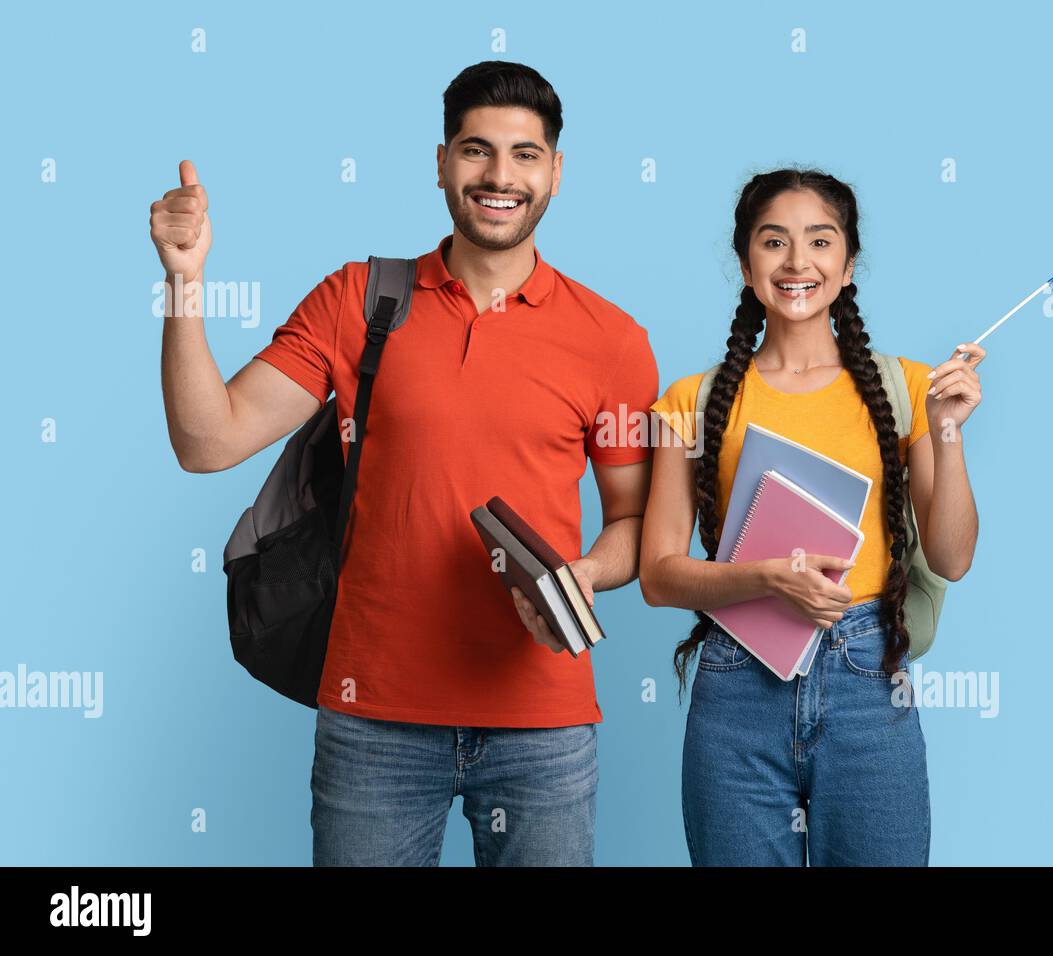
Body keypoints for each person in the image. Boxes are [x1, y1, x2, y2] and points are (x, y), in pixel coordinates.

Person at [151, 61, 658, 866]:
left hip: (544, 726)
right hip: (373, 720)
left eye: (526, 155)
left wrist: (584, 576)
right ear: (440, 162)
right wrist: (184, 284)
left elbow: (634, 524)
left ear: (556, 172)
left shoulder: (613, 339)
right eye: (476, 150)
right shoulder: (359, 299)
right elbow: (207, 442)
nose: (500, 175)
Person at [638, 169, 982, 866]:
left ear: (849, 263)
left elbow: (951, 558)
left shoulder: (911, 388)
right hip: (737, 687)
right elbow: (657, 576)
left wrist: (947, 431)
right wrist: (765, 579)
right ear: (744, 264)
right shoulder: (689, 403)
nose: (798, 264)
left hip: (866, 678)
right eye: (774, 243)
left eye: (820, 242)